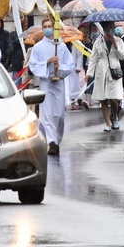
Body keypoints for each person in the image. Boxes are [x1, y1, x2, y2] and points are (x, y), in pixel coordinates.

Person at [28, 18, 75, 155]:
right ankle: (51, 142)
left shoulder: (62, 47)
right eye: (45, 26)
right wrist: (47, 62)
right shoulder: (38, 47)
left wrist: (58, 67)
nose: (48, 28)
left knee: (59, 115)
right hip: (46, 83)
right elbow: (33, 65)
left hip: (58, 83)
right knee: (47, 114)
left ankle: (57, 139)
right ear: (42, 29)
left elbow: (70, 65)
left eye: (50, 26)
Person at [86, 21, 124, 132]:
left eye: (113, 27)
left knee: (114, 98)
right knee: (103, 98)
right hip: (101, 70)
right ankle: (107, 123)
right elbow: (93, 58)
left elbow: (123, 56)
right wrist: (89, 74)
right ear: (104, 29)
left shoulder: (119, 41)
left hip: (114, 69)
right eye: (109, 28)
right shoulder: (98, 42)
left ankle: (115, 117)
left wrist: (116, 47)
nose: (112, 30)